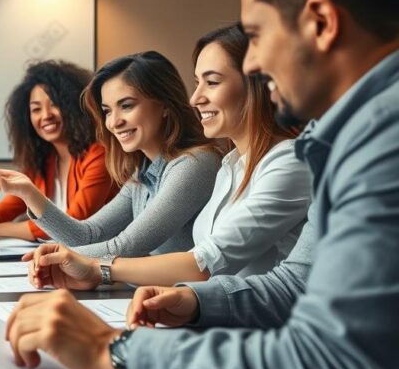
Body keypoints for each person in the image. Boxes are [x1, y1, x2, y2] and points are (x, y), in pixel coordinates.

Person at [5, 0, 399, 369]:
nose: (256, 64)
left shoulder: (384, 140)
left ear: (320, 22)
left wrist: (113, 351)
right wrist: (199, 302)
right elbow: (298, 279)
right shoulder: (343, 138)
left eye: (257, 35)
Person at [25, 24, 310, 289]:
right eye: (197, 82)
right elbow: (92, 235)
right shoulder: (229, 166)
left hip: (257, 322)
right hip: (213, 310)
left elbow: (204, 262)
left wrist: (97, 269)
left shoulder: (284, 162)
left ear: (258, 84)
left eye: (211, 82)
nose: (195, 98)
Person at [0, 52, 222, 258]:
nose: (114, 122)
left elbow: (126, 247)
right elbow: (87, 236)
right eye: (107, 111)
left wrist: (56, 254)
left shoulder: (195, 163)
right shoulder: (141, 175)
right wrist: (29, 193)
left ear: (165, 105)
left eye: (127, 106)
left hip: (188, 303)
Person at [0, 60, 117, 243]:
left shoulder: (99, 154)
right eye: (36, 109)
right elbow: (15, 202)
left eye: (55, 104)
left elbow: (73, 222)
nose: (45, 115)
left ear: (75, 106)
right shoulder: (45, 159)